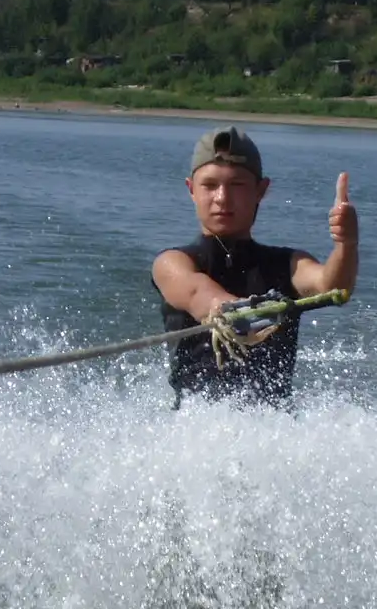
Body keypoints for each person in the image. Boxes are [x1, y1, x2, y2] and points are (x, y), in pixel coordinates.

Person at [151, 126, 359, 407]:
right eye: (210, 185)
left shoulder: (290, 264)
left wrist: (346, 245)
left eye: (236, 185)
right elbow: (197, 293)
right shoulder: (172, 262)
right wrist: (230, 311)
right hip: (195, 425)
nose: (222, 198)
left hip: (272, 426)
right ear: (191, 190)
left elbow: (334, 287)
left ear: (261, 190)